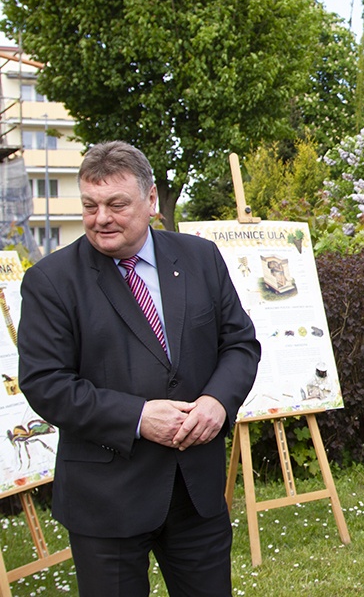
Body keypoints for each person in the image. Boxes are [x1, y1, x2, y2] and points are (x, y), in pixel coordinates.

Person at [17, 141, 261, 596]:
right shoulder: (51, 281)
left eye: (116, 204)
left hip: (195, 494)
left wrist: (216, 402)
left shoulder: (199, 258)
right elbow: (45, 382)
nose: (101, 218)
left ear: (151, 200)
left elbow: (240, 344)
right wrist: (138, 417)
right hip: (106, 500)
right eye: (90, 206)